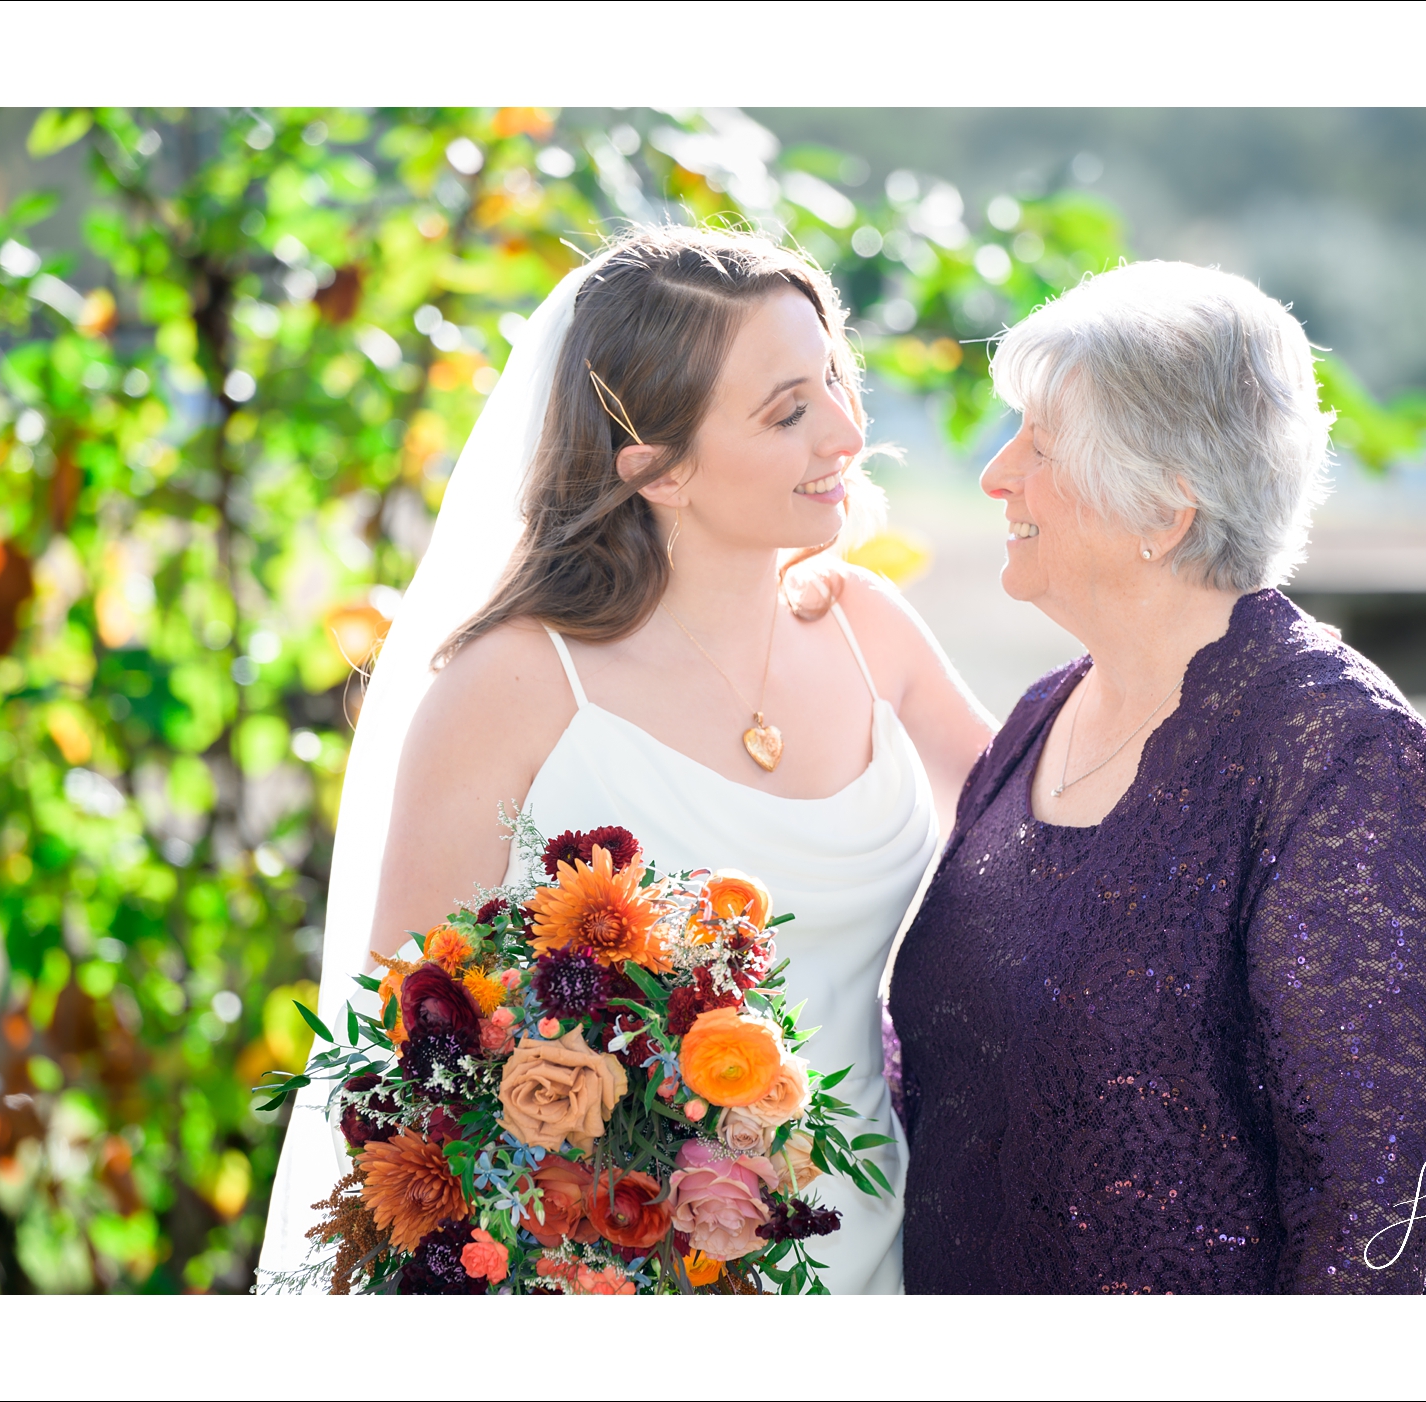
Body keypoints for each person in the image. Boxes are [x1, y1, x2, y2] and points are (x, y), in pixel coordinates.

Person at [256, 226, 993, 1292]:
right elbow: (407, 1051)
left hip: (883, 1258)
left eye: (833, 379)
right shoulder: (512, 687)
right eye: (788, 410)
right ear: (655, 467)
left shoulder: (868, 631)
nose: (845, 431)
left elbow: (1048, 842)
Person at [888, 260, 1426, 1293]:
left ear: (1162, 508)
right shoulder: (1041, 713)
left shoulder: (1338, 757)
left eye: (1039, 441)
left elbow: (1365, 1218)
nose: (994, 474)